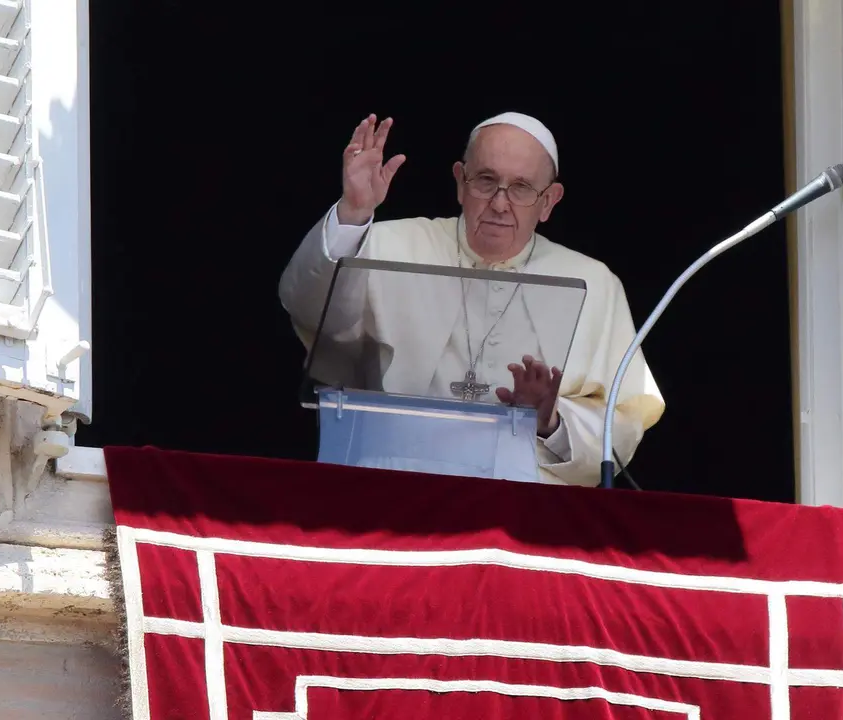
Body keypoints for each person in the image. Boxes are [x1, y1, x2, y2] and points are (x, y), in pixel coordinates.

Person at [279, 111, 664, 487]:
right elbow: (309, 307)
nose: (500, 204)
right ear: (460, 182)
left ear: (549, 201)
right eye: (485, 180)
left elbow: (624, 419)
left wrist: (550, 422)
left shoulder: (593, 282)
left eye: (521, 188)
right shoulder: (387, 244)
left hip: (521, 501)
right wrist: (354, 213)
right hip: (392, 483)